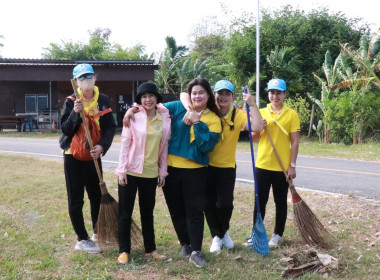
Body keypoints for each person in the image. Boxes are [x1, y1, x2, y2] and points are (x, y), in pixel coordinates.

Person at [124, 77, 222, 267]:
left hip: (196, 171)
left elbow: (205, 147)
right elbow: (150, 106)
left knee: (194, 211)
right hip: (171, 170)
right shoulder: (177, 107)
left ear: (209, 95)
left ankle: (196, 250)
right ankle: (185, 244)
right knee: (176, 210)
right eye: (194, 93)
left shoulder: (214, 119)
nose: (197, 96)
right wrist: (133, 109)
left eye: (202, 92)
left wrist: (197, 122)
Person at [180, 80, 263, 253]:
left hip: (226, 167)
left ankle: (223, 231)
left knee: (225, 204)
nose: (223, 97)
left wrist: (251, 103)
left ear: (232, 96)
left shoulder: (238, 114)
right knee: (208, 203)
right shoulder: (208, 111)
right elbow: (184, 94)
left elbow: (256, 126)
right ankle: (217, 236)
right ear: (214, 95)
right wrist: (190, 110)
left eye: (227, 94)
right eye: (220, 93)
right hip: (205, 166)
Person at [59, 63, 116, 253]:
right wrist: (76, 113)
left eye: (88, 76)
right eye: (81, 78)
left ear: (95, 78)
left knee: (96, 196)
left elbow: (109, 127)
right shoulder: (71, 101)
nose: (85, 80)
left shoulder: (104, 100)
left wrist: (102, 146)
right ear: (76, 81)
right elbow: (66, 130)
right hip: (73, 156)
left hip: (94, 155)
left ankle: (97, 232)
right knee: (76, 198)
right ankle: (81, 239)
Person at [115, 82, 171, 264]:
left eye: (151, 96)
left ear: (156, 98)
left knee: (148, 213)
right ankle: (124, 250)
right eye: (144, 96)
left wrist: (162, 171)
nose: (148, 99)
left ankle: (151, 249)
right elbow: (125, 143)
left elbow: (164, 147)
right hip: (130, 172)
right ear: (139, 100)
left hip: (150, 173)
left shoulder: (163, 116)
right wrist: (121, 170)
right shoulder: (133, 116)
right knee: (125, 213)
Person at [247, 78, 300, 247]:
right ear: (268, 94)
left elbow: (295, 142)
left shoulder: (291, 114)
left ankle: (278, 234)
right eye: (272, 92)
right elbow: (253, 138)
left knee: (280, 201)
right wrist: (259, 127)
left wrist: (292, 166)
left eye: (279, 93)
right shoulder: (260, 112)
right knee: (259, 201)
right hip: (262, 164)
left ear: (284, 94)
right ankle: (256, 234)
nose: (275, 96)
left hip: (282, 167)